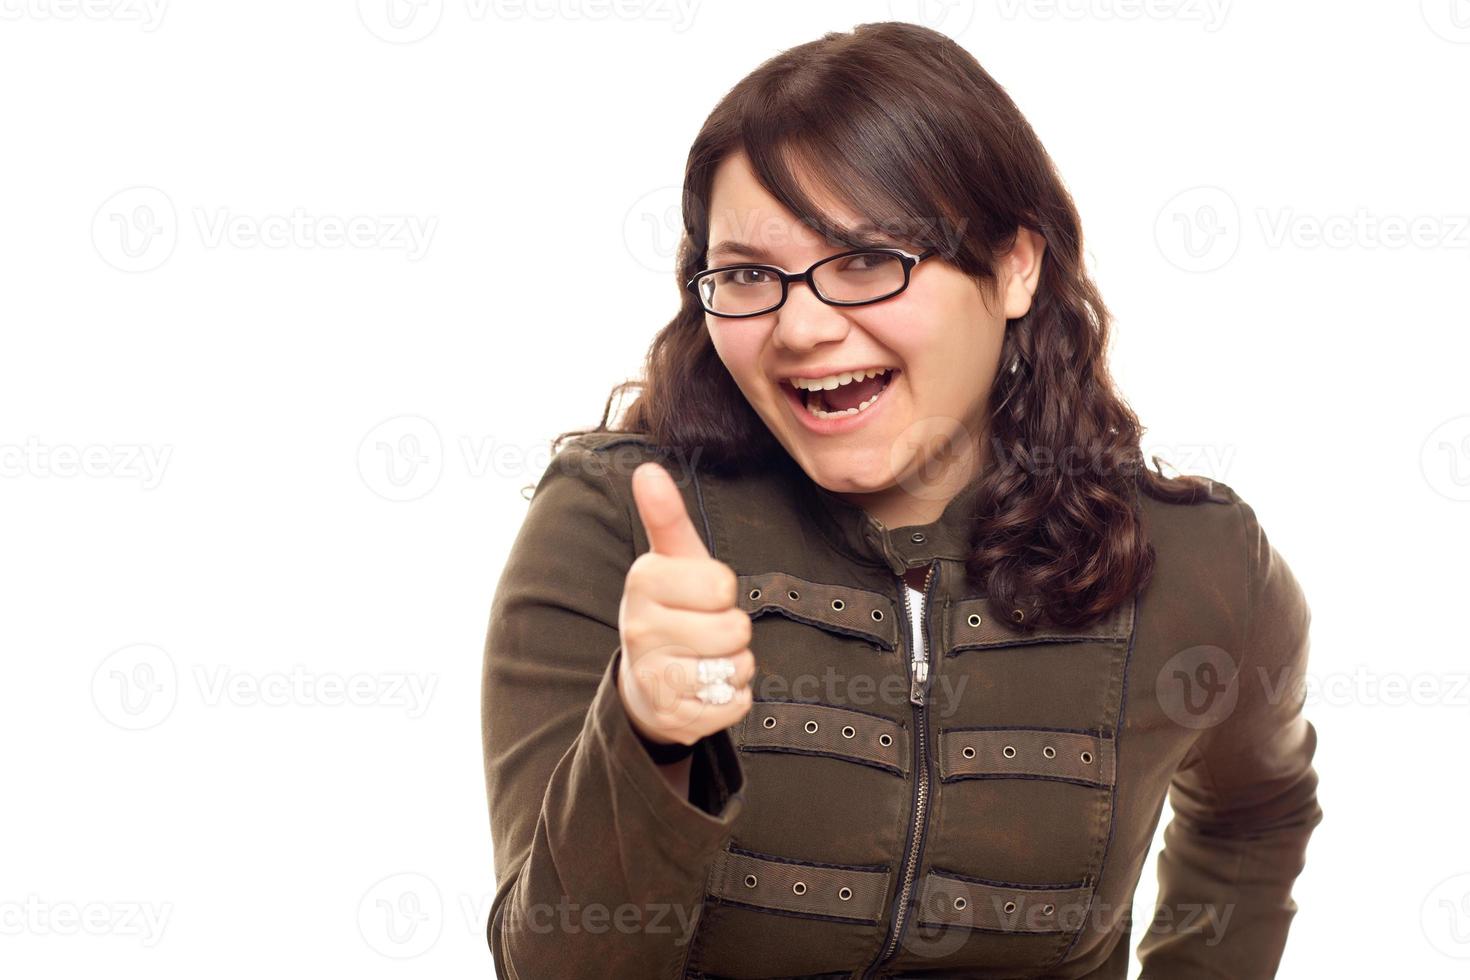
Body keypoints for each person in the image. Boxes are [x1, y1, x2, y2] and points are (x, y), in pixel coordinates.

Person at [481, 21, 1321, 979]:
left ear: (1014, 266)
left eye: (867, 260)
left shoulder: (1198, 560)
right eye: (750, 275)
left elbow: (1259, 811)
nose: (799, 327)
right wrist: (649, 733)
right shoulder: (616, 523)